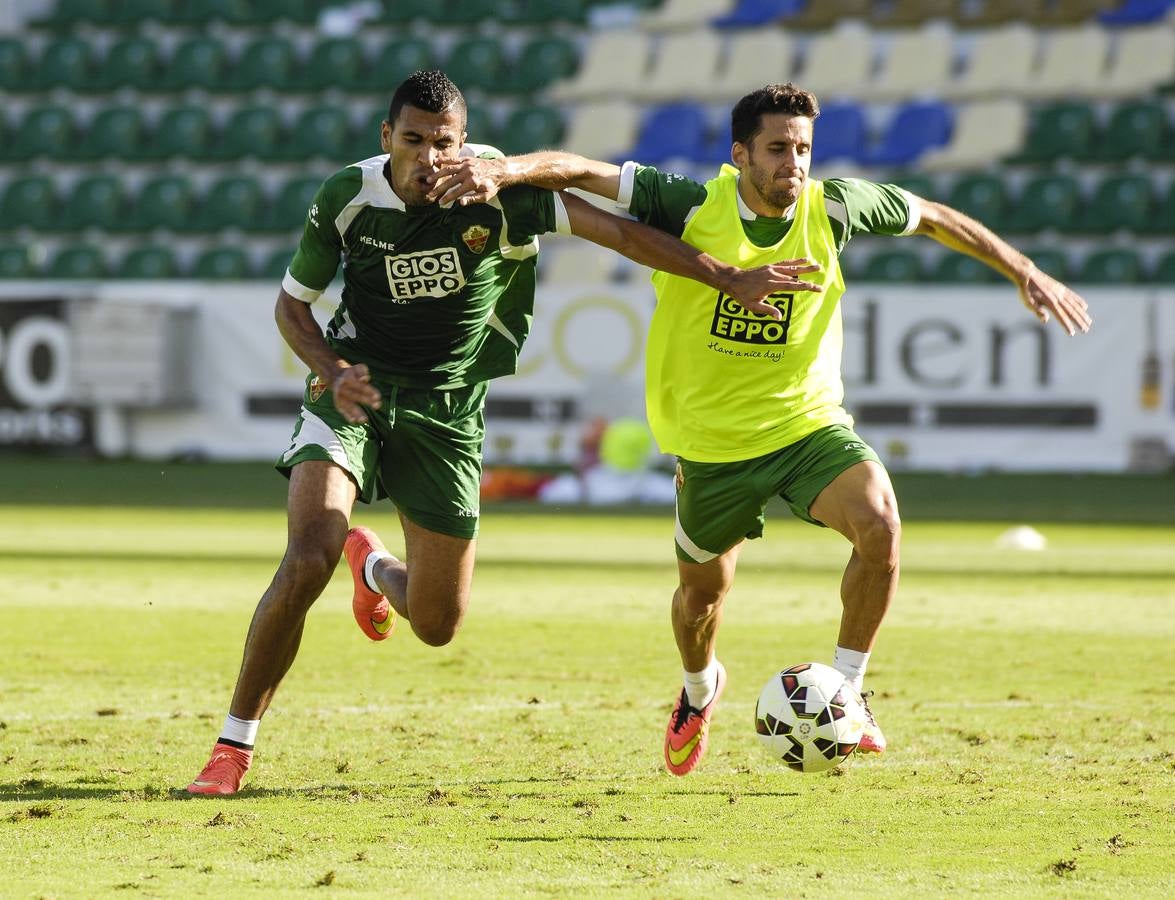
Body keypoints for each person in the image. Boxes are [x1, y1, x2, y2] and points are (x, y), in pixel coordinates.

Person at [426, 82, 1093, 776]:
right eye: (777, 148)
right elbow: (580, 170)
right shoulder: (692, 205)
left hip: (806, 426)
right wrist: (501, 170)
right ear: (740, 153)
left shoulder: (832, 206)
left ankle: (850, 693)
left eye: (802, 148)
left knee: (880, 525)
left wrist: (1022, 269)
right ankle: (698, 688)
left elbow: (929, 216)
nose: (793, 163)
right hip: (712, 448)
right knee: (700, 600)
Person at [184, 72, 821, 795]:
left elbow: (617, 231)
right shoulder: (348, 196)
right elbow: (291, 310)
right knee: (307, 556)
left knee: (435, 623)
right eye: (414, 141)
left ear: (464, 142)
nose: (429, 157)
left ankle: (371, 568)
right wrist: (332, 372)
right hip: (354, 392)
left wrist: (725, 277)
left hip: (451, 409)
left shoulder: (501, 194)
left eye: (444, 142)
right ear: (386, 138)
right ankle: (232, 749)